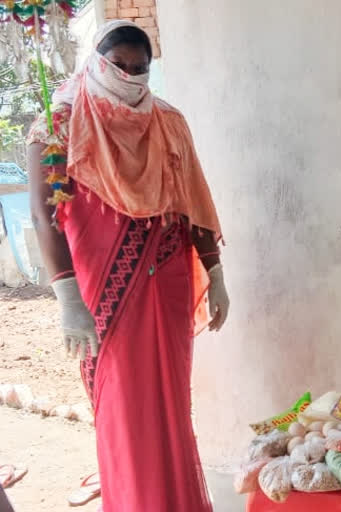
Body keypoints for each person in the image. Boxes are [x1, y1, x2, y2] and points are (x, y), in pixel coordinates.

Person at [27, 21, 229, 511]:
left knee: (171, 405)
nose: (131, 76)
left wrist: (215, 272)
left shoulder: (168, 120)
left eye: (141, 69)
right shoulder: (61, 122)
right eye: (120, 66)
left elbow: (192, 201)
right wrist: (67, 297)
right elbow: (43, 212)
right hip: (105, 290)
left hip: (169, 279)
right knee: (124, 409)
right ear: (99, 62)